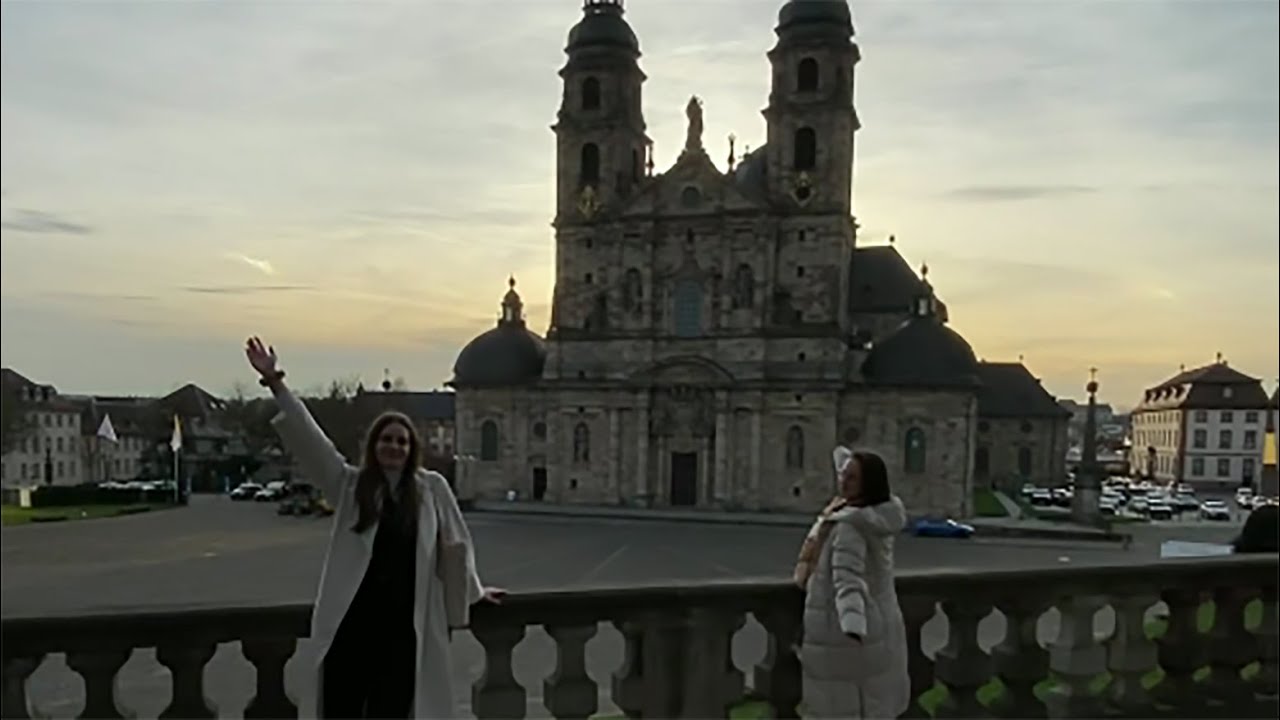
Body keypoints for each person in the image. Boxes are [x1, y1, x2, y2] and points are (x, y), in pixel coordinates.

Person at [245, 336, 503, 719]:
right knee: (341, 710)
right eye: (386, 439)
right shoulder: (349, 485)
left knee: (393, 711)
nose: (394, 446)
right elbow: (311, 442)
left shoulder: (432, 489)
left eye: (401, 441)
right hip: (352, 626)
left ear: (412, 447)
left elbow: (455, 543)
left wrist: (475, 591)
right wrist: (276, 382)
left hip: (403, 631)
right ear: (374, 445)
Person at [797, 447, 910, 719]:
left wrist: (852, 623)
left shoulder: (850, 524)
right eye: (843, 475)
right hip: (882, 623)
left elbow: (848, 578)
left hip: (847, 636)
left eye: (852, 478)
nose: (843, 482)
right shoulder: (874, 516)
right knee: (873, 701)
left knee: (845, 706)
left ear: (867, 484)